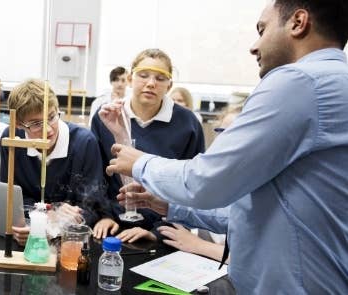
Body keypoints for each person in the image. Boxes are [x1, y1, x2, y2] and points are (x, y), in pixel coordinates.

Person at [105, 0, 348, 292]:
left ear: (298, 23)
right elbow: (253, 210)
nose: (254, 46)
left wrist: (141, 163)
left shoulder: (301, 81)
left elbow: (206, 180)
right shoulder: (334, 83)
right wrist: (169, 204)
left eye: (262, 29)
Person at [90, 49, 205, 239]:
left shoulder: (188, 124)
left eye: (160, 78)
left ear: (169, 86)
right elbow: (95, 175)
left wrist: (158, 231)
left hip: (163, 230)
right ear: (129, 78)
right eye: (143, 76)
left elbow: (192, 184)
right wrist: (102, 216)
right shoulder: (107, 117)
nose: (151, 84)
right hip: (110, 226)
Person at [116, 105, 243, 261]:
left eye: (233, 133)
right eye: (221, 132)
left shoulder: (260, 182)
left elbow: (256, 257)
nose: (224, 141)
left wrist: (200, 245)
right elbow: (228, 216)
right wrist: (166, 205)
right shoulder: (226, 176)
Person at [0, 79, 107, 245]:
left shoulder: (84, 142)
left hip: (69, 239)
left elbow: (93, 205)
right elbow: (12, 196)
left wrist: (54, 225)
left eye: (51, 117)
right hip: (28, 231)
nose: (48, 130)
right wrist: (43, 216)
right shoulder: (12, 140)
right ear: (19, 125)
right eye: (36, 124)